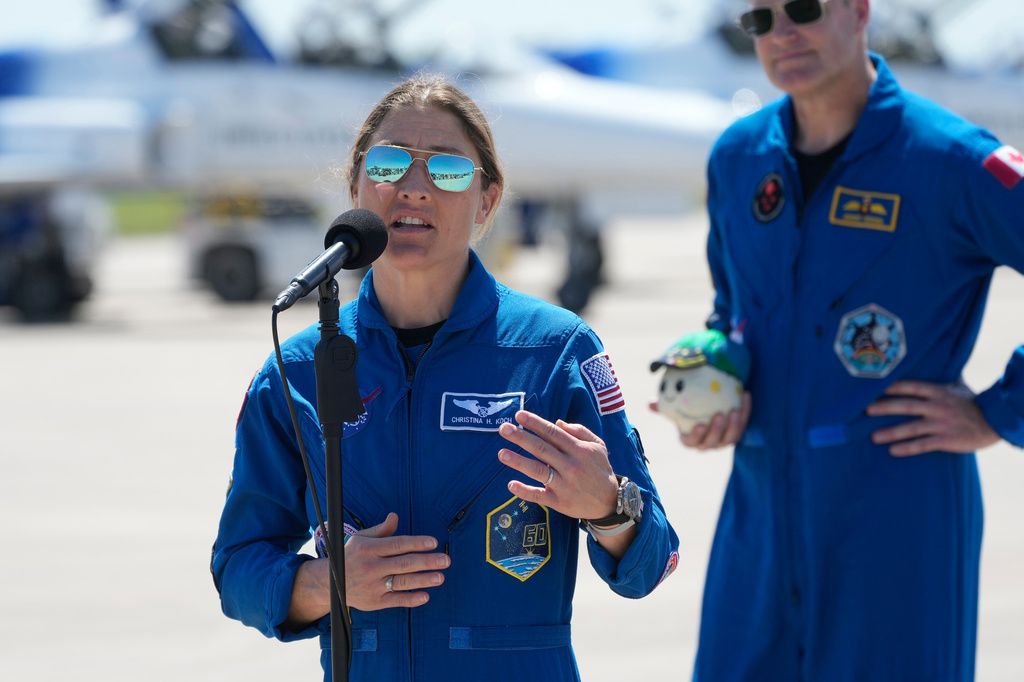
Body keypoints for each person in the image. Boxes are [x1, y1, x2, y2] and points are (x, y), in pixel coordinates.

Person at [211, 75, 679, 682]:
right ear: (356, 187)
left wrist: (609, 506)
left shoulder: (554, 351)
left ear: (487, 200)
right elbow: (239, 567)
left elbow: (654, 561)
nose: (415, 188)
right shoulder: (297, 372)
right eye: (388, 164)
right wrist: (328, 585)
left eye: (450, 171)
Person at [676, 1, 1024, 680]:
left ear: (860, 10)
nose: (783, 34)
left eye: (803, 9)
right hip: (759, 527)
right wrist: (713, 378)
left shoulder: (950, 160)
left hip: (896, 520)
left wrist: (998, 411)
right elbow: (732, 311)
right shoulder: (739, 159)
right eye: (761, 20)